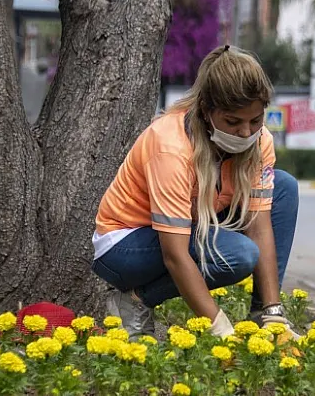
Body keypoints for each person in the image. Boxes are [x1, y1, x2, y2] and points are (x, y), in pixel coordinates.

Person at [91, 45, 299, 340]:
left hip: (188, 226)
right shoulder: (171, 146)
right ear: (206, 111)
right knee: (239, 255)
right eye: (233, 122)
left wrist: (274, 311)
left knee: (284, 188)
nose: (245, 133)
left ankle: (264, 318)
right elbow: (175, 254)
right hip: (126, 246)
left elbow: (260, 226)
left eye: (255, 120)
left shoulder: (259, 141)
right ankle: (135, 299)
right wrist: (220, 329)